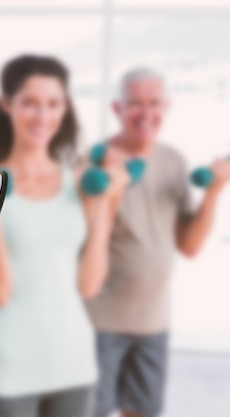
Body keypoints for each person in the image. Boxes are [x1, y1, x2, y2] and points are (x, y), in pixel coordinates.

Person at [0, 55, 129, 417]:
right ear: (7, 104)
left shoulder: (81, 183)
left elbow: (90, 286)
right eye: (30, 103)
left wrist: (107, 203)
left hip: (73, 367)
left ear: (65, 108)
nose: (42, 116)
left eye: (53, 104)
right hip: (10, 370)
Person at [86, 68, 230, 417]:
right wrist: (111, 190)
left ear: (166, 107)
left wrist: (214, 191)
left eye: (153, 104)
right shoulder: (94, 161)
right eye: (135, 104)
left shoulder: (173, 161)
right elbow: (85, 240)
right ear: (117, 109)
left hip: (152, 323)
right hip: (100, 321)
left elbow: (189, 247)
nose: (146, 114)